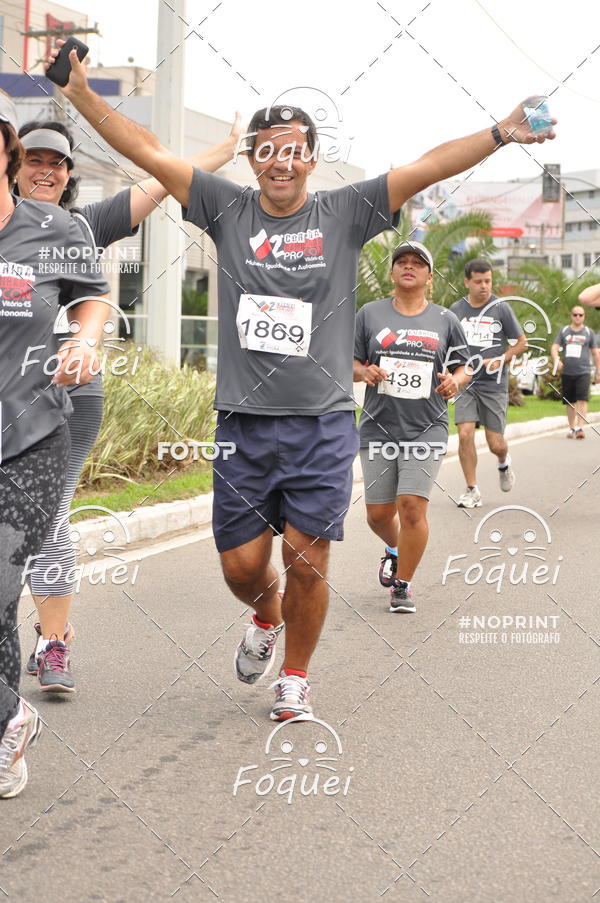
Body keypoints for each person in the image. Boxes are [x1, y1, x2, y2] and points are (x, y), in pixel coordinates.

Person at [53, 41, 556, 720]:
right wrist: (81, 93)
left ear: (311, 160)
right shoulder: (226, 207)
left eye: (294, 149)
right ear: (253, 158)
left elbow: (427, 166)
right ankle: (265, 615)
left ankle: (295, 673)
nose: (281, 160)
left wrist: (503, 131)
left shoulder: (343, 212)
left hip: (320, 423)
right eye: (267, 148)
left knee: (308, 559)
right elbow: (149, 151)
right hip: (242, 422)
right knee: (239, 568)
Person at [14, 116, 242, 693]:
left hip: (64, 394)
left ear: (68, 176)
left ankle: (53, 643)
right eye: (35, 159)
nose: (46, 170)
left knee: (50, 512)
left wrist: (219, 152)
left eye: (57, 163)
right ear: (13, 163)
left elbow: (164, 181)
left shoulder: (85, 225)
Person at [0, 92, 110, 797]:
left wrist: (89, 338)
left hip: (29, 436)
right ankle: (14, 712)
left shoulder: (58, 228)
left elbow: (94, 295)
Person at [353, 242, 470, 612]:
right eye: (401, 262)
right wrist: (364, 370)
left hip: (427, 426)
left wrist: (456, 381)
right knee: (378, 514)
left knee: (412, 508)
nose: (409, 267)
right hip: (377, 426)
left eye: (417, 264)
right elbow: (350, 362)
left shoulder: (445, 320)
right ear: (392, 272)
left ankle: (402, 584)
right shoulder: (369, 314)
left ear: (429, 276)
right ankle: (393, 548)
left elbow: (465, 366)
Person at [450, 260, 528, 508]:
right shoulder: (456, 310)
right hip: (466, 383)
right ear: (467, 282)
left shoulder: (500, 308)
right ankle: (471, 489)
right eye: (478, 281)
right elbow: (447, 344)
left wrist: (502, 358)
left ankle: (504, 463)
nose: (484, 286)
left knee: (496, 444)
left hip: (493, 385)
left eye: (488, 281)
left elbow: (521, 343)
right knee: (464, 434)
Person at [550, 305, 600, 438]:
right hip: (567, 372)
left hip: (583, 371)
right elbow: (555, 347)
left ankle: (580, 428)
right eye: (575, 314)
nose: (578, 317)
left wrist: (598, 372)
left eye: (581, 315)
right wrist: (556, 359)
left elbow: (595, 353)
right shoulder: (564, 331)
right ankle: (572, 428)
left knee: (582, 400)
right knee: (570, 402)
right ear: (571, 316)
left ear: (584, 317)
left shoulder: (588, 332)